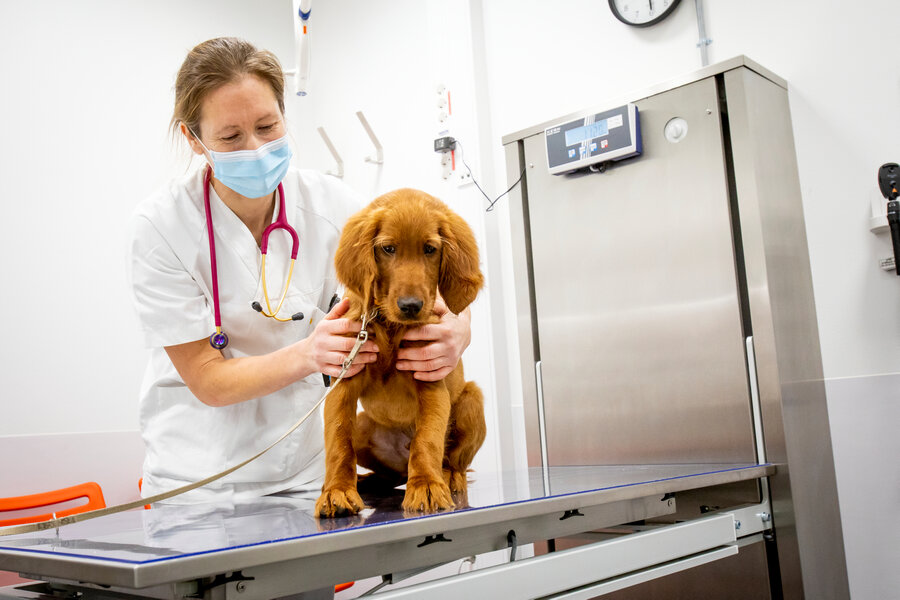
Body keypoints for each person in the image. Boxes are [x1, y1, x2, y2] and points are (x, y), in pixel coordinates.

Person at [128, 37, 472, 505]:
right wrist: (310, 356)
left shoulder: (335, 206)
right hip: (200, 481)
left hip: (310, 476)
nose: (255, 147)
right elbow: (207, 377)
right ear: (194, 138)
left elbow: (430, 268)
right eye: (230, 137)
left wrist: (459, 330)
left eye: (268, 126)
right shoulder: (161, 227)